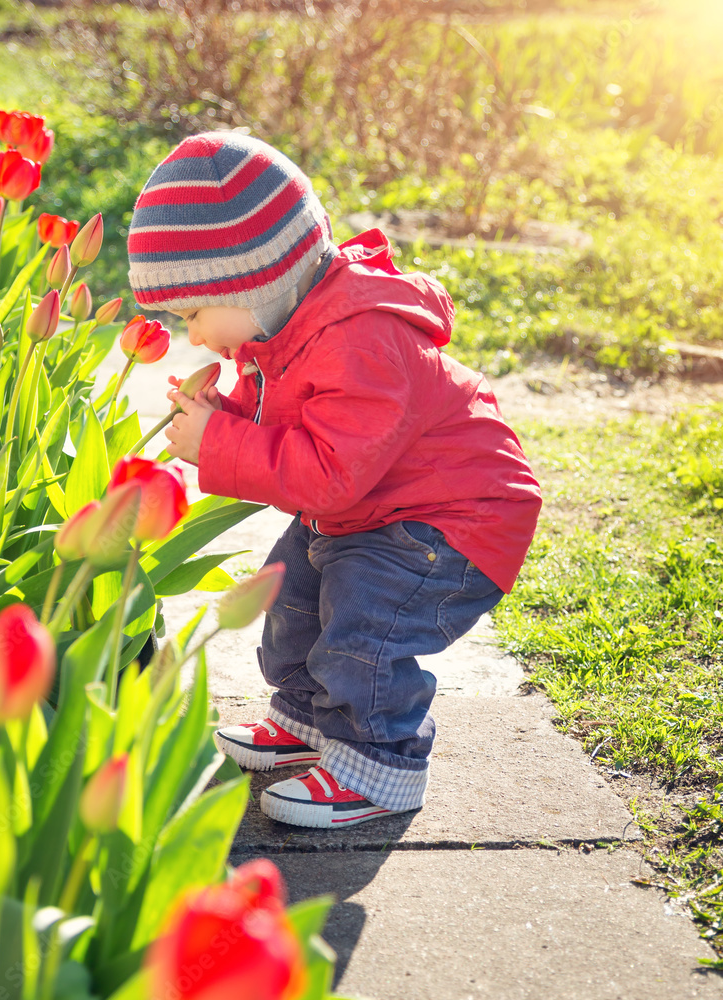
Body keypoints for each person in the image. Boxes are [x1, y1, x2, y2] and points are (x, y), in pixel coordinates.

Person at [127, 131, 542, 829]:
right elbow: (287, 417)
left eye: (193, 314)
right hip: (375, 505)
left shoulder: (362, 340)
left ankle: (379, 765)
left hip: (451, 518)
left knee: (366, 628)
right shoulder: (287, 328)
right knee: (290, 597)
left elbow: (328, 475)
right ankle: (309, 726)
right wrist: (223, 413)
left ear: (251, 281)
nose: (194, 336)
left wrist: (219, 442)